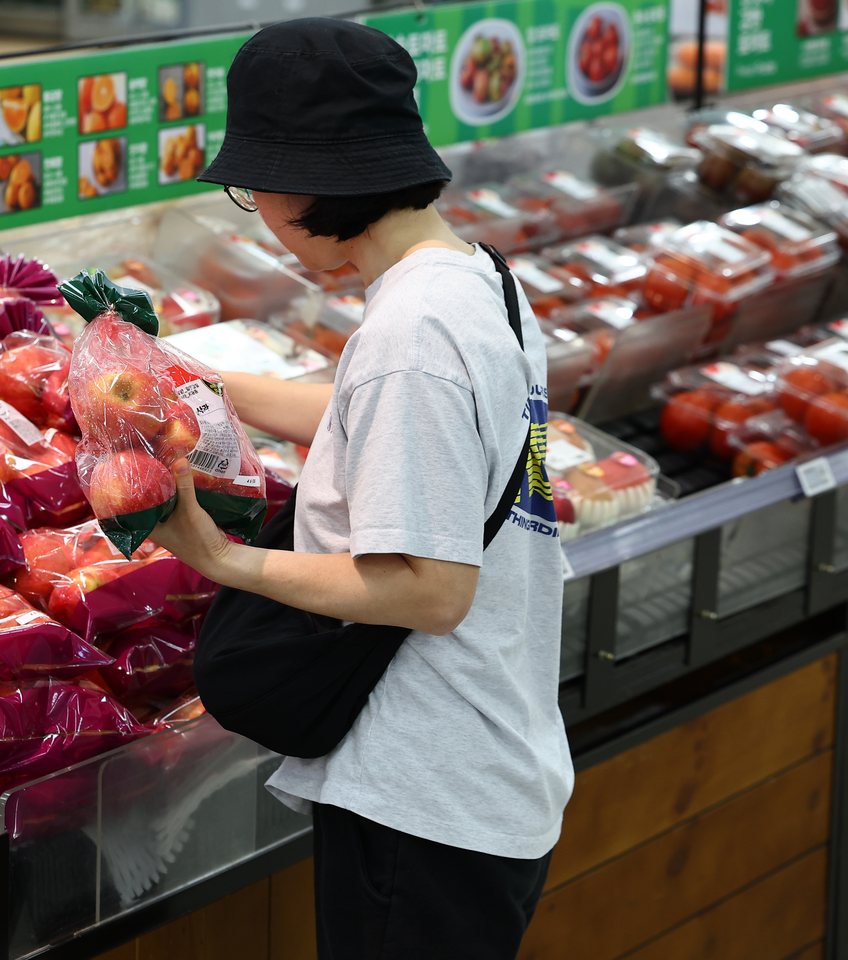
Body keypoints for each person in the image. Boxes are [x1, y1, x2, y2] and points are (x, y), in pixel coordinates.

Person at [145, 18, 573, 960]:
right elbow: (363, 414)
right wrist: (185, 384)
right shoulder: (476, 281)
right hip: (492, 755)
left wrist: (220, 558)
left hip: (427, 794)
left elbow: (431, 588)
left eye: (252, 187)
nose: (255, 204)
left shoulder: (409, 337)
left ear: (307, 182)